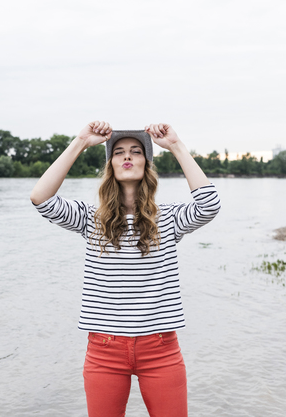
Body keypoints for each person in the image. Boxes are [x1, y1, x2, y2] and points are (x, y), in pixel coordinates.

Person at [30, 121, 221, 417]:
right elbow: (40, 197)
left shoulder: (168, 219)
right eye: (118, 153)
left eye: (135, 151)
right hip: (104, 350)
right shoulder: (90, 220)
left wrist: (176, 145)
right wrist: (81, 141)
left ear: (146, 162)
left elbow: (208, 205)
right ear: (111, 165)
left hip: (160, 348)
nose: (127, 157)